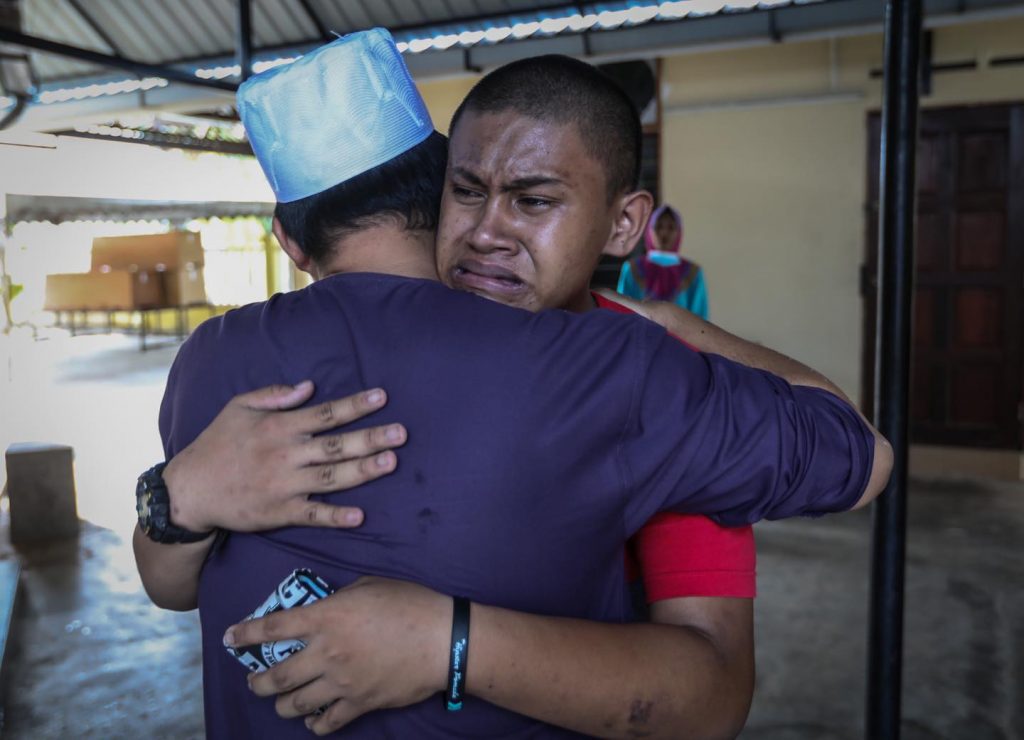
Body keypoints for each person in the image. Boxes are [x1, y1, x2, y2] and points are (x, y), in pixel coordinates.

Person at [134, 30, 891, 739]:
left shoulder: (210, 358)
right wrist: (177, 499)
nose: (490, 231)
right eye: (470, 192)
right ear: (440, 198)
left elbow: (712, 694)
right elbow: (862, 457)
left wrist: (450, 642)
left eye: (533, 200)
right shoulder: (620, 368)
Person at [617, 203, 709, 319]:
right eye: (658, 226)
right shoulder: (633, 268)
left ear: (679, 232)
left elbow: (701, 320)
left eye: (671, 227)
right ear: (649, 231)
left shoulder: (693, 272)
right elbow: (621, 313)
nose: (664, 233)